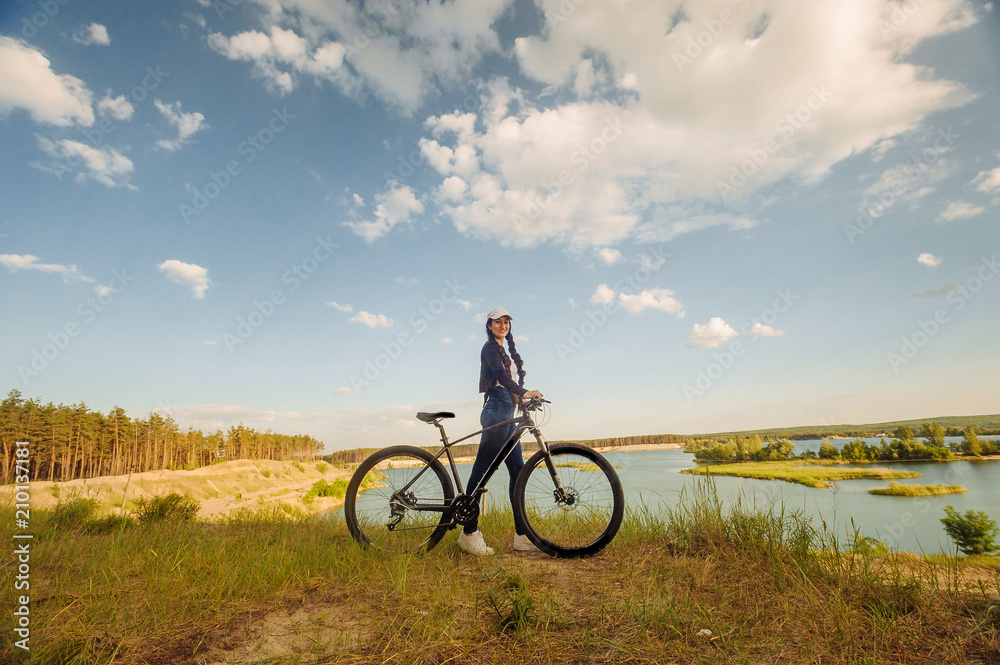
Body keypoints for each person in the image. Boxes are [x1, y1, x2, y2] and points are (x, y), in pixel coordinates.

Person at [457, 307, 543, 556]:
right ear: (489, 325)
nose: (503, 325)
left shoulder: (505, 350)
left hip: (509, 412)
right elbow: (501, 378)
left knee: (518, 471)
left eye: (506, 322)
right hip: (497, 409)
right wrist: (523, 392)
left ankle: (521, 535)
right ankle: (469, 533)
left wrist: (525, 401)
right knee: (482, 470)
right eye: (497, 322)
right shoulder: (489, 349)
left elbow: (511, 385)